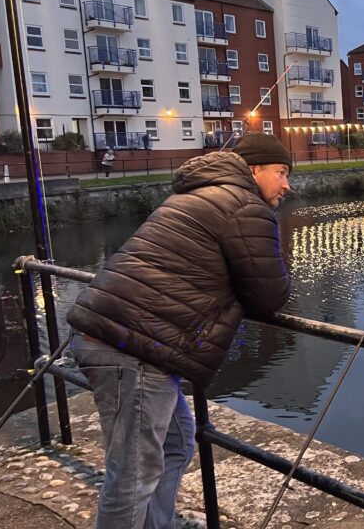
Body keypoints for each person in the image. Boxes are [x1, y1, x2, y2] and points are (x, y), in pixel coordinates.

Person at [67, 132, 293, 528]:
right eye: (281, 172)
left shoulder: (193, 195)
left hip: (114, 336)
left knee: (177, 442)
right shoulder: (245, 206)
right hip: (133, 349)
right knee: (132, 478)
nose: (286, 185)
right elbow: (269, 294)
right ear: (254, 170)